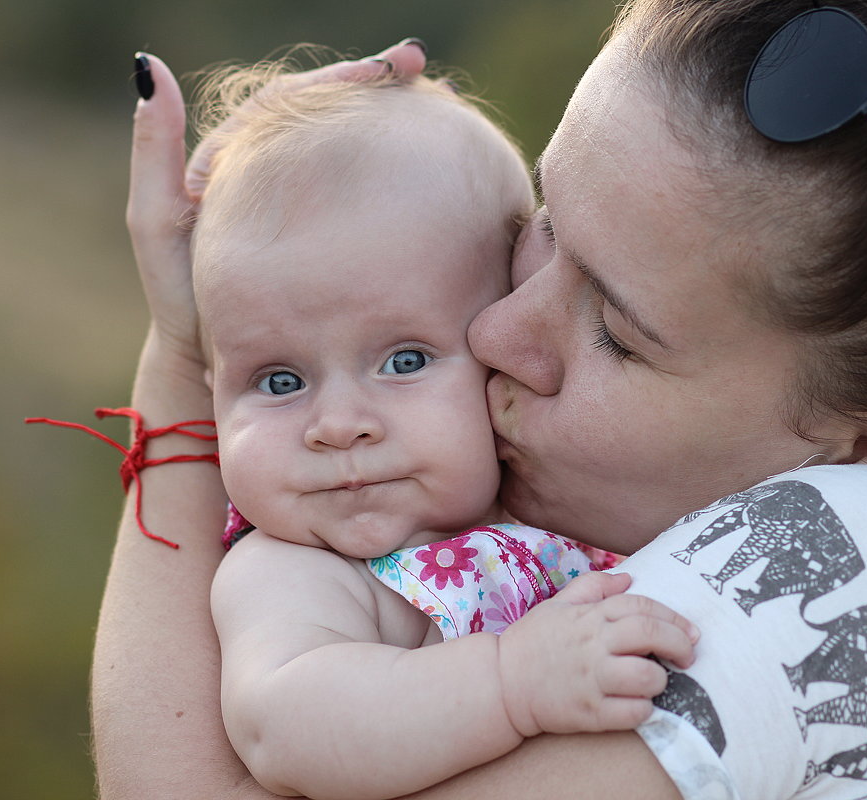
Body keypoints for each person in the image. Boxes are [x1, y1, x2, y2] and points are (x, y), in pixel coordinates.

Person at [95, 0, 867, 797]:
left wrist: (185, 351)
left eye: (616, 332)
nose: (493, 333)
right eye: (541, 226)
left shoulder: (865, 553)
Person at [190, 67, 697, 799]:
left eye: (403, 361)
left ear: (501, 342)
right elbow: (286, 724)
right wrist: (511, 681)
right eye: (279, 381)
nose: (336, 427)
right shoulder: (297, 569)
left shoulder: (558, 492)